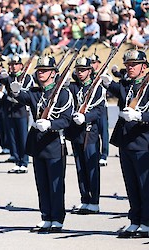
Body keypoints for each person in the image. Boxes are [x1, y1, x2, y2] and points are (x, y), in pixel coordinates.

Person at [9, 55, 73, 232]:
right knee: (42, 184)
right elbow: (24, 96)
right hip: (38, 144)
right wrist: (14, 91)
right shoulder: (37, 92)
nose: (40, 73)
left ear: (53, 73)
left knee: (55, 184)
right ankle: (46, 216)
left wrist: (51, 124)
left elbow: (67, 119)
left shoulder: (63, 93)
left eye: (44, 70)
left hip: (53, 144)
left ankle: (57, 218)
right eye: (39, 71)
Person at [101, 49, 149, 238]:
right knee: (131, 185)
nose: (129, 68)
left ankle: (146, 222)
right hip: (126, 142)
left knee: (145, 185)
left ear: (144, 67)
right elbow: (118, 89)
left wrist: (140, 116)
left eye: (133, 65)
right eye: (127, 65)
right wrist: (106, 82)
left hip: (143, 142)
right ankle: (135, 220)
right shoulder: (127, 85)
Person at [66, 56, 105, 215]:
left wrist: (86, 117)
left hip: (90, 132)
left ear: (90, 71)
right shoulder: (74, 87)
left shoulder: (97, 88)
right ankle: (85, 199)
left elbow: (99, 110)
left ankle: (94, 201)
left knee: (91, 166)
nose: (80, 73)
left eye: (84, 70)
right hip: (76, 132)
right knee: (80, 167)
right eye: (78, 70)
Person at [0, 54, 31, 174]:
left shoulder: (26, 77)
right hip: (10, 111)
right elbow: (2, 80)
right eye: (11, 64)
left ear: (21, 66)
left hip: (21, 111)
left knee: (22, 137)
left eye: (15, 64)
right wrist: (1, 74)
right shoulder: (8, 77)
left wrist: (17, 96)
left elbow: (27, 91)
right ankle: (17, 161)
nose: (12, 67)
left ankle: (24, 161)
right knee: (12, 138)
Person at [89, 53, 109, 167]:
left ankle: (104, 154)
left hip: (102, 106)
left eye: (94, 62)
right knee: (94, 130)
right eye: (91, 62)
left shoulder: (104, 75)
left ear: (98, 63)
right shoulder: (90, 76)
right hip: (92, 107)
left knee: (103, 131)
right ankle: (95, 152)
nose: (92, 65)